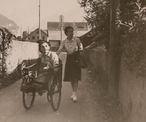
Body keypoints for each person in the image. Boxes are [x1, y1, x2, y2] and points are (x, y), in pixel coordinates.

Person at [57, 26, 83, 102]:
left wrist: (80, 49)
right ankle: (73, 92)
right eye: (69, 31)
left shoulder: (77, 40)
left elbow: (81, 47)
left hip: (76, 59)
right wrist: (55, 55)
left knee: (76, 77)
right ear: (66, 33)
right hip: (70, 60)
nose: (71, 33)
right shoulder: (64, 42)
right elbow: (59, 50)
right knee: (72, 78)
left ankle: (74, 94)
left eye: (72, 31)